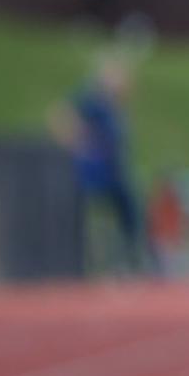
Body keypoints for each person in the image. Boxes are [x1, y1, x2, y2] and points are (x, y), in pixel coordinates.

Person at [48, 57, 144, 272]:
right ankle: (100, 260)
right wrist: (77, 140)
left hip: (115, 173)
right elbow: (61, 114)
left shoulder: (117, 106)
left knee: (131, 203)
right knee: (97, 208)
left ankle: (131, 255)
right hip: (94, 174)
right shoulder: (91, 100)